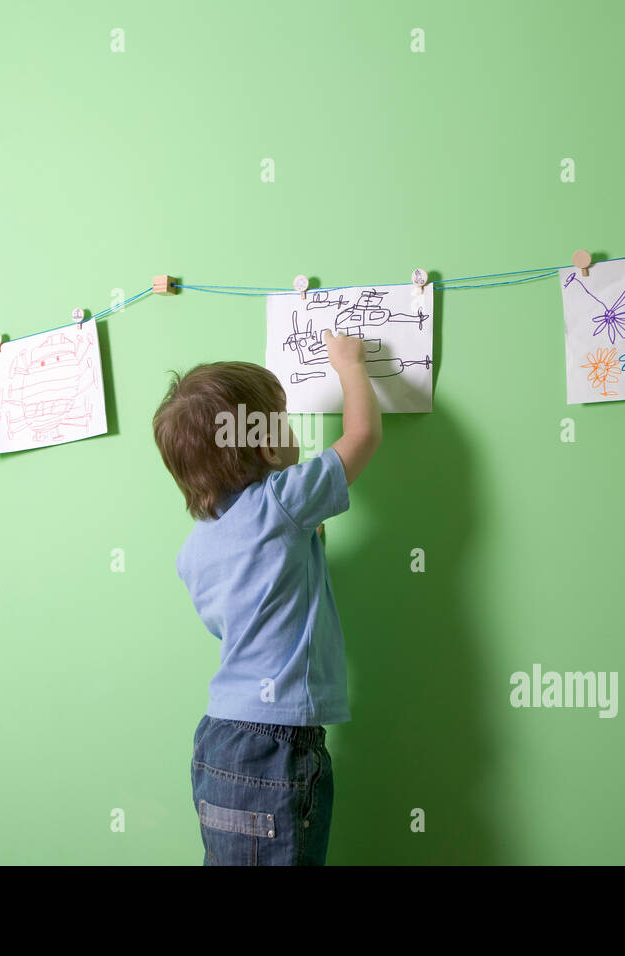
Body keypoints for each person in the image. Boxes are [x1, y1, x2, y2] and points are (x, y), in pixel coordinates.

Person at [152, 330, 381, 864]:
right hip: (276, 746)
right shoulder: (282, 502)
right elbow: (363, 436)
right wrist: (349, 365)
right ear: (264, 443)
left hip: (218, 742)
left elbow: (251, 606)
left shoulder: (196, 547)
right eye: (284, 417)